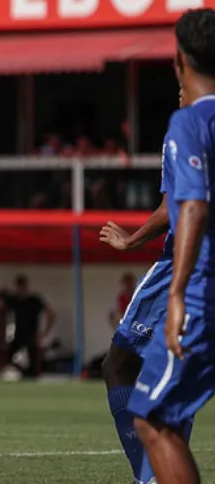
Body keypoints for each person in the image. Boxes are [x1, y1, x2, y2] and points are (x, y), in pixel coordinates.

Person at [129, 8, 215, 484]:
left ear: (179, 60)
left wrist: (178, 294)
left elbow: (193, 208)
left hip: (206, 290)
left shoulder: (189, 123)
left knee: (154, 418)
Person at [98, 87, 186, 484]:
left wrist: (131, 239)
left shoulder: (185, 129)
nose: (179, 92)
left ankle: (149, 477)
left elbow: (176, 207)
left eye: (180, 81)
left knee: (118, 363)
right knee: (182, 377)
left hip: (183, 263)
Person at [4, 274, 55, 377]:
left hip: (31, 336)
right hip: (18, 335)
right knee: (7, 358)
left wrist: (45, 333)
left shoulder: (34, 301)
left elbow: (51, 315)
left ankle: (30, 374)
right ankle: (21, 371)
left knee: (34, 366)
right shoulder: (13, 300)